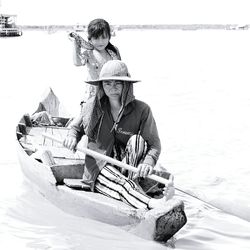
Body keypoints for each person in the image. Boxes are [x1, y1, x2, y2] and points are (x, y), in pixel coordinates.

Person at [63, 60, 175, 209]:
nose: (112, 88)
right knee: (123, 185)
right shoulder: (93, 106)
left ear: (126, 85)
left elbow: (154, 144)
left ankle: (132, 185)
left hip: (127, 165)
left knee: (137, 141)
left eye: (118, 83)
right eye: (107, 83)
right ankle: (152, 203)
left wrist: (147, 163)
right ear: (102, 86)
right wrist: (71, 137)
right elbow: (75, 128)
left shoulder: (142, 109)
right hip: (99, 164)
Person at [69, 18, 121, 101]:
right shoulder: (89, 53)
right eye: (96, 38)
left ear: (109, 37)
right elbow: (77, 62)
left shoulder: (113, 52)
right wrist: (75, 43)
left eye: (104, 38)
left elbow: (121, 69)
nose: (101, 42)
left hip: (111, 92)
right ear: (90, 39)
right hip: (94, 93)